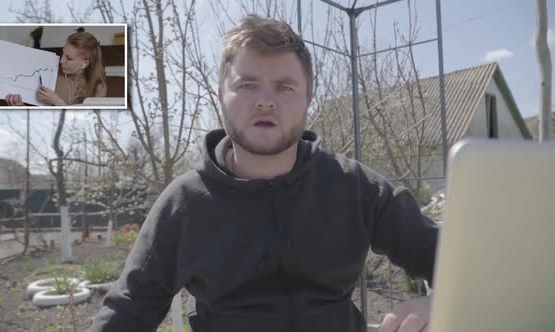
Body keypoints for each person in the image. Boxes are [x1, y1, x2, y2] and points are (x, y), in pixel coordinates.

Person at [88, 15, 438, 332]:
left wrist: (440, 302)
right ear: (221, 95)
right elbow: (129, 311)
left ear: (308, 99)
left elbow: (447, 256)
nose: (266, 101)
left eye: (284, 87)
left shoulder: (354, 187)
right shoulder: (185, 204)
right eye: (248, 85)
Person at [5, 28, 107, 106]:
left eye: (69, 58)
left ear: (85, 63)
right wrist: (20, 106)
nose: (61, 61)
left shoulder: (98, 87)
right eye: (62, 53)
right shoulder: (51, 73)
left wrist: (56, 101)